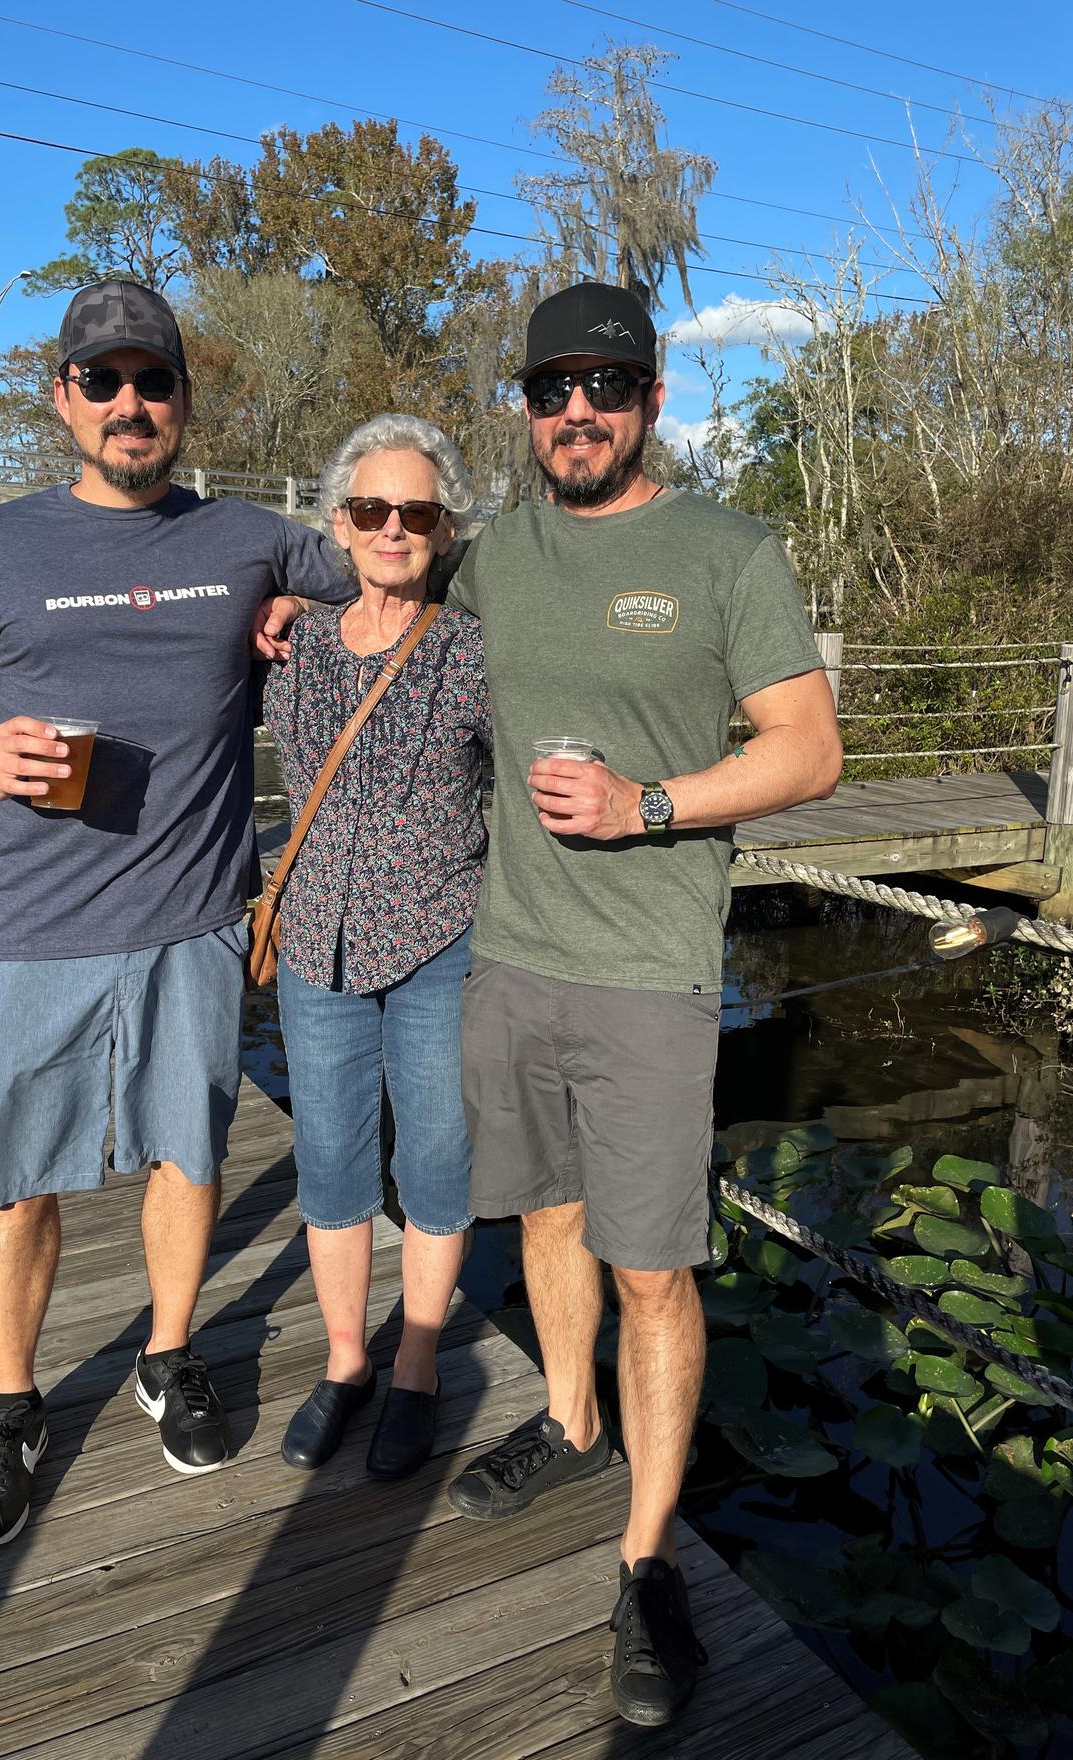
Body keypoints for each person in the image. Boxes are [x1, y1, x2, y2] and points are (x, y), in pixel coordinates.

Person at [0, 278, 351, 1549]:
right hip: (32, 924)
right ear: (64, 401)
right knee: (8, 1173)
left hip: (193, 917)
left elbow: (395, 566)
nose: (130, 403)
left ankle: (168, 1352)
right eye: (104, 381)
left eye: (153, 381)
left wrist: (305, 605)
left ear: (186, 402)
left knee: (185, 1152)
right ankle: (11, 1403)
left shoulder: (248, 539)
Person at [441, 282, 844, 1727]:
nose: (577, 413)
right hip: (511, 958)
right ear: (529, 408)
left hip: (651, 977)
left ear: (653, 398)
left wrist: (647, 806)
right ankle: (564, 1415)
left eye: (605, 387)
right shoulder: (492, 554)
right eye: (551, 390)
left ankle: (648, 1557)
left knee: (655, 1270)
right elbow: (394, 627)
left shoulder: (730, 551)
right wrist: (288, 627)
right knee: (544, 1216)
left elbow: (808, 750)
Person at [262, 415, 489, 1481]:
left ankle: (419, 1365)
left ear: (446, 530)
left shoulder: (474, 649)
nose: (393, 527)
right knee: (333, 1159)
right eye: (371, 509)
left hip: (441, 932)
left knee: (436, 1157)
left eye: (416, 511)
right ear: (339, 526)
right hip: (314, 940)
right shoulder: (295, 643)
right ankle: (348, 1358)